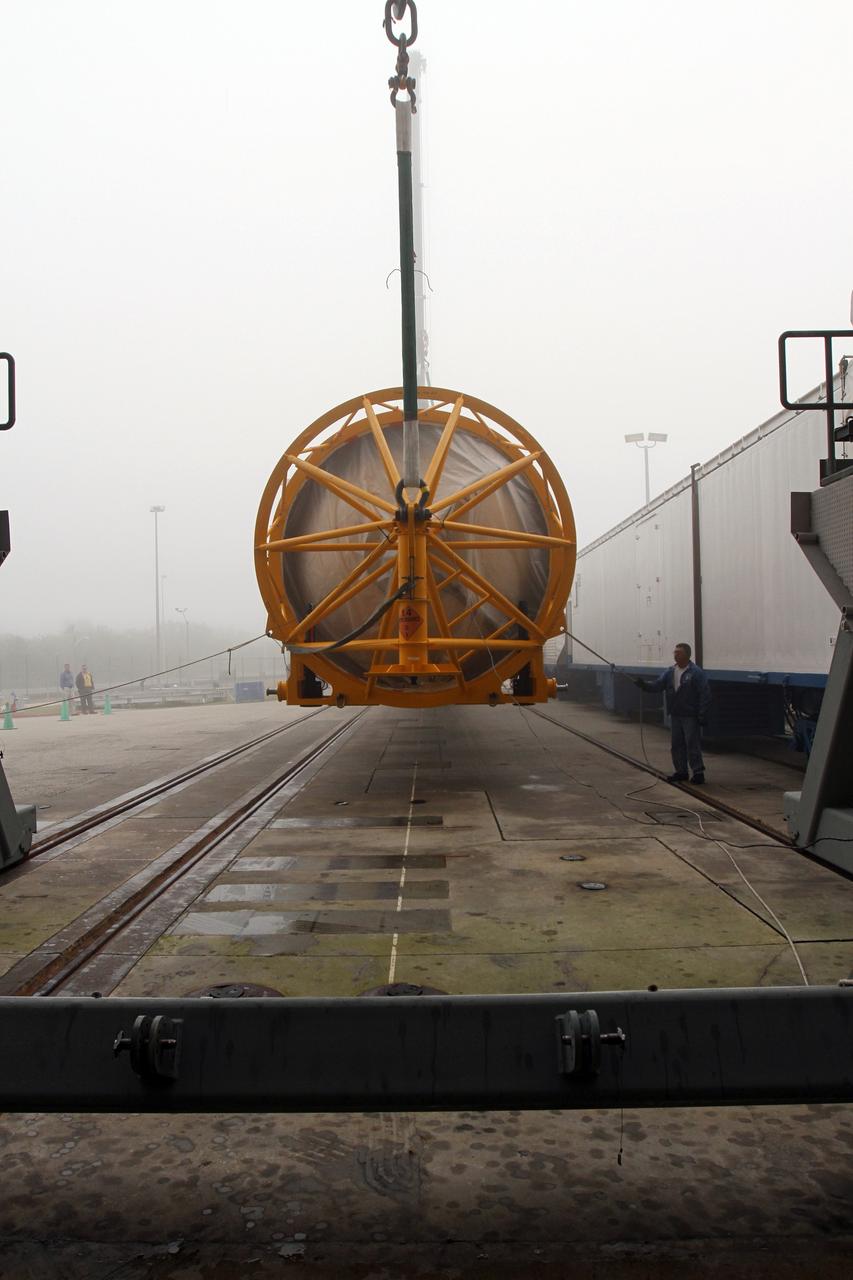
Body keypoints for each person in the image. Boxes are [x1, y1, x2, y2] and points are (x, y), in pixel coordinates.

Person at [635, 642, 710, 784]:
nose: (676, 655)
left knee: (691, 743)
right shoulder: (670, 672)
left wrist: (702, 714)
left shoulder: (695, 673)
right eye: (675, 652)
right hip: (675, 714)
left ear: (687, 655)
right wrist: (644, 685)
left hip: (690, 715)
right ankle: (681, 771)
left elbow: (704, 693)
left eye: (679, 653)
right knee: (676, 744)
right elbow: (658, 685)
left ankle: (698, 772)